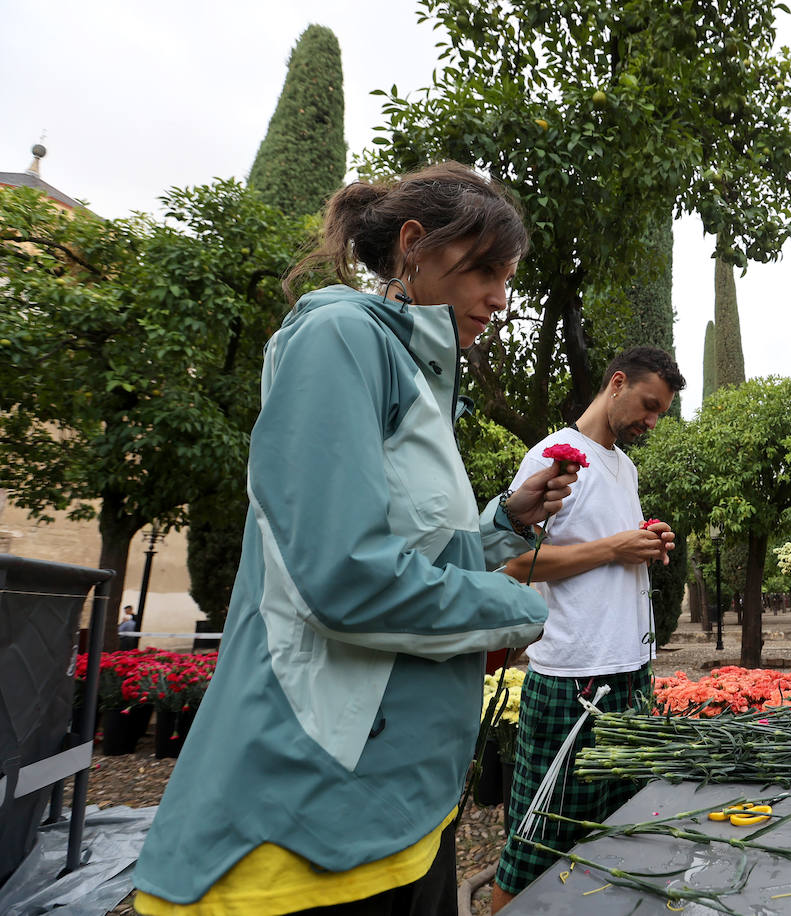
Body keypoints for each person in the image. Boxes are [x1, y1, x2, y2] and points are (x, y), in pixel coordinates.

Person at [132, 162, 580, 916]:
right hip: (309, 818)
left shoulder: (416, 370)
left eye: (508, 277)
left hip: (404, 803)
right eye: (486, 271)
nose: (501, 298)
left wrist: (504, 521)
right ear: (414, 245)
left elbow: (413, 558)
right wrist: (519, 610)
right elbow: (344, 577)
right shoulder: (340, 336)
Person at [490, 347, 685, 912]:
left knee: (620, 831)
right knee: (536, 840)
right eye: (649, 405)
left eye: (660, 413)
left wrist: (647, 540)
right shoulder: (555, 454)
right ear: (617, 383)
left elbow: (609, 550)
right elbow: (514, 561)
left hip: (630, 672)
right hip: (572, 675)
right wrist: (615, 547)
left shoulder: (625, 468)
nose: (652, 420)